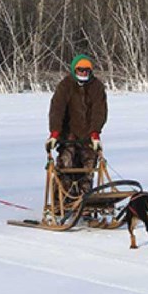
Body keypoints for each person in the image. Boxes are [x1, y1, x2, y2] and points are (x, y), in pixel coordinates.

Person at [46, 54, 107, 202]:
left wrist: (95, 133)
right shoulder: (65, 85)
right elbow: (57, 110)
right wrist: (55, 133)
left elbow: (99, 111)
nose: (84, 73)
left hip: (88, 134)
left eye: (87, 70)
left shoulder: (96, 86)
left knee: (88, 167)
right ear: (74, 70)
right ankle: (60, 201)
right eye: (80, 70)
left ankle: (84, 202)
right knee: (66, 164)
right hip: (69, 134)